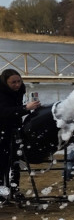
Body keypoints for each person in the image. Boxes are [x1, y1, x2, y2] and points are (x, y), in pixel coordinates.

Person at [0, 69, 42, 203]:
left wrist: (32, 109)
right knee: (2, 163)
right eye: (13, 83)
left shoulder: (20, 90)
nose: (17, 85)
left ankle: (14, 189)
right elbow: (4, 112)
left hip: (15, 129)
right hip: (2, 129)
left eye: (19, 81)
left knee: (15, 161)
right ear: (5, 82)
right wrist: (25, 108)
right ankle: (1, 191)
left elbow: (16, 110)